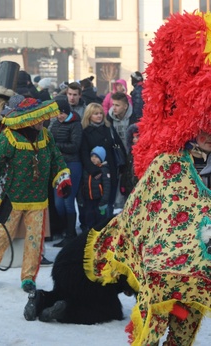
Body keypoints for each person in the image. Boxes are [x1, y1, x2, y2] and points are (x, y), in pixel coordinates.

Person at [84, 12, 211, 345]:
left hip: (202, 274)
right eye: (203, 125)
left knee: (186, 331)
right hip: (163, 269)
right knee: (152, 327)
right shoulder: (168, 162)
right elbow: (141, 209)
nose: (208, 133)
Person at [0, 98, 71, 293]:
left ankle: (29, 278)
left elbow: (56, 159)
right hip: (12, 198)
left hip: (38, 199)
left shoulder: (46, 135)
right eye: (39, 119)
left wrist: (62, 179)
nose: (42, 122)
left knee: (35, 240)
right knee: (2, 235)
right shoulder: (9, 137)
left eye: (44, 119)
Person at [79, 103, 124, 224]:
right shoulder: (85, 132)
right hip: (97, 174)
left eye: (100, 113)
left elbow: (119, 145)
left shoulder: (109, 127)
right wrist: (93, 171)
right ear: (89, 116)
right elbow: (83, 153)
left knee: (110, 202)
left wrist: (123, 166)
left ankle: (108, 228)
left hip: (112, 169)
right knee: (99, 205)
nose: (99, 116)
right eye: (95, 114)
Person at [48, 98, 83, 247]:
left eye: (61, 113)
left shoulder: (75, 125)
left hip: (72, 164)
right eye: (57, 113)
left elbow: (75, 146)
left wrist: (56, 146)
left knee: (68, 201)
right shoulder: (55, 124)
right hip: (58, 166)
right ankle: (65, 229)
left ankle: (70, 234)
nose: (59, 116)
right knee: (58, 203)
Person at [81, 146, 110, 229]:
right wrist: (81, 196)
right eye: (92, 156)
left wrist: (104, 201)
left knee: (100, 220)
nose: (93, 159)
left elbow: (107, 186)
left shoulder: (104, 170)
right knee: (89, 218)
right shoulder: (87, 169)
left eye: (96, 157)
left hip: (99, 200)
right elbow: (82, 183)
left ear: (101, 158)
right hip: (88, 199)